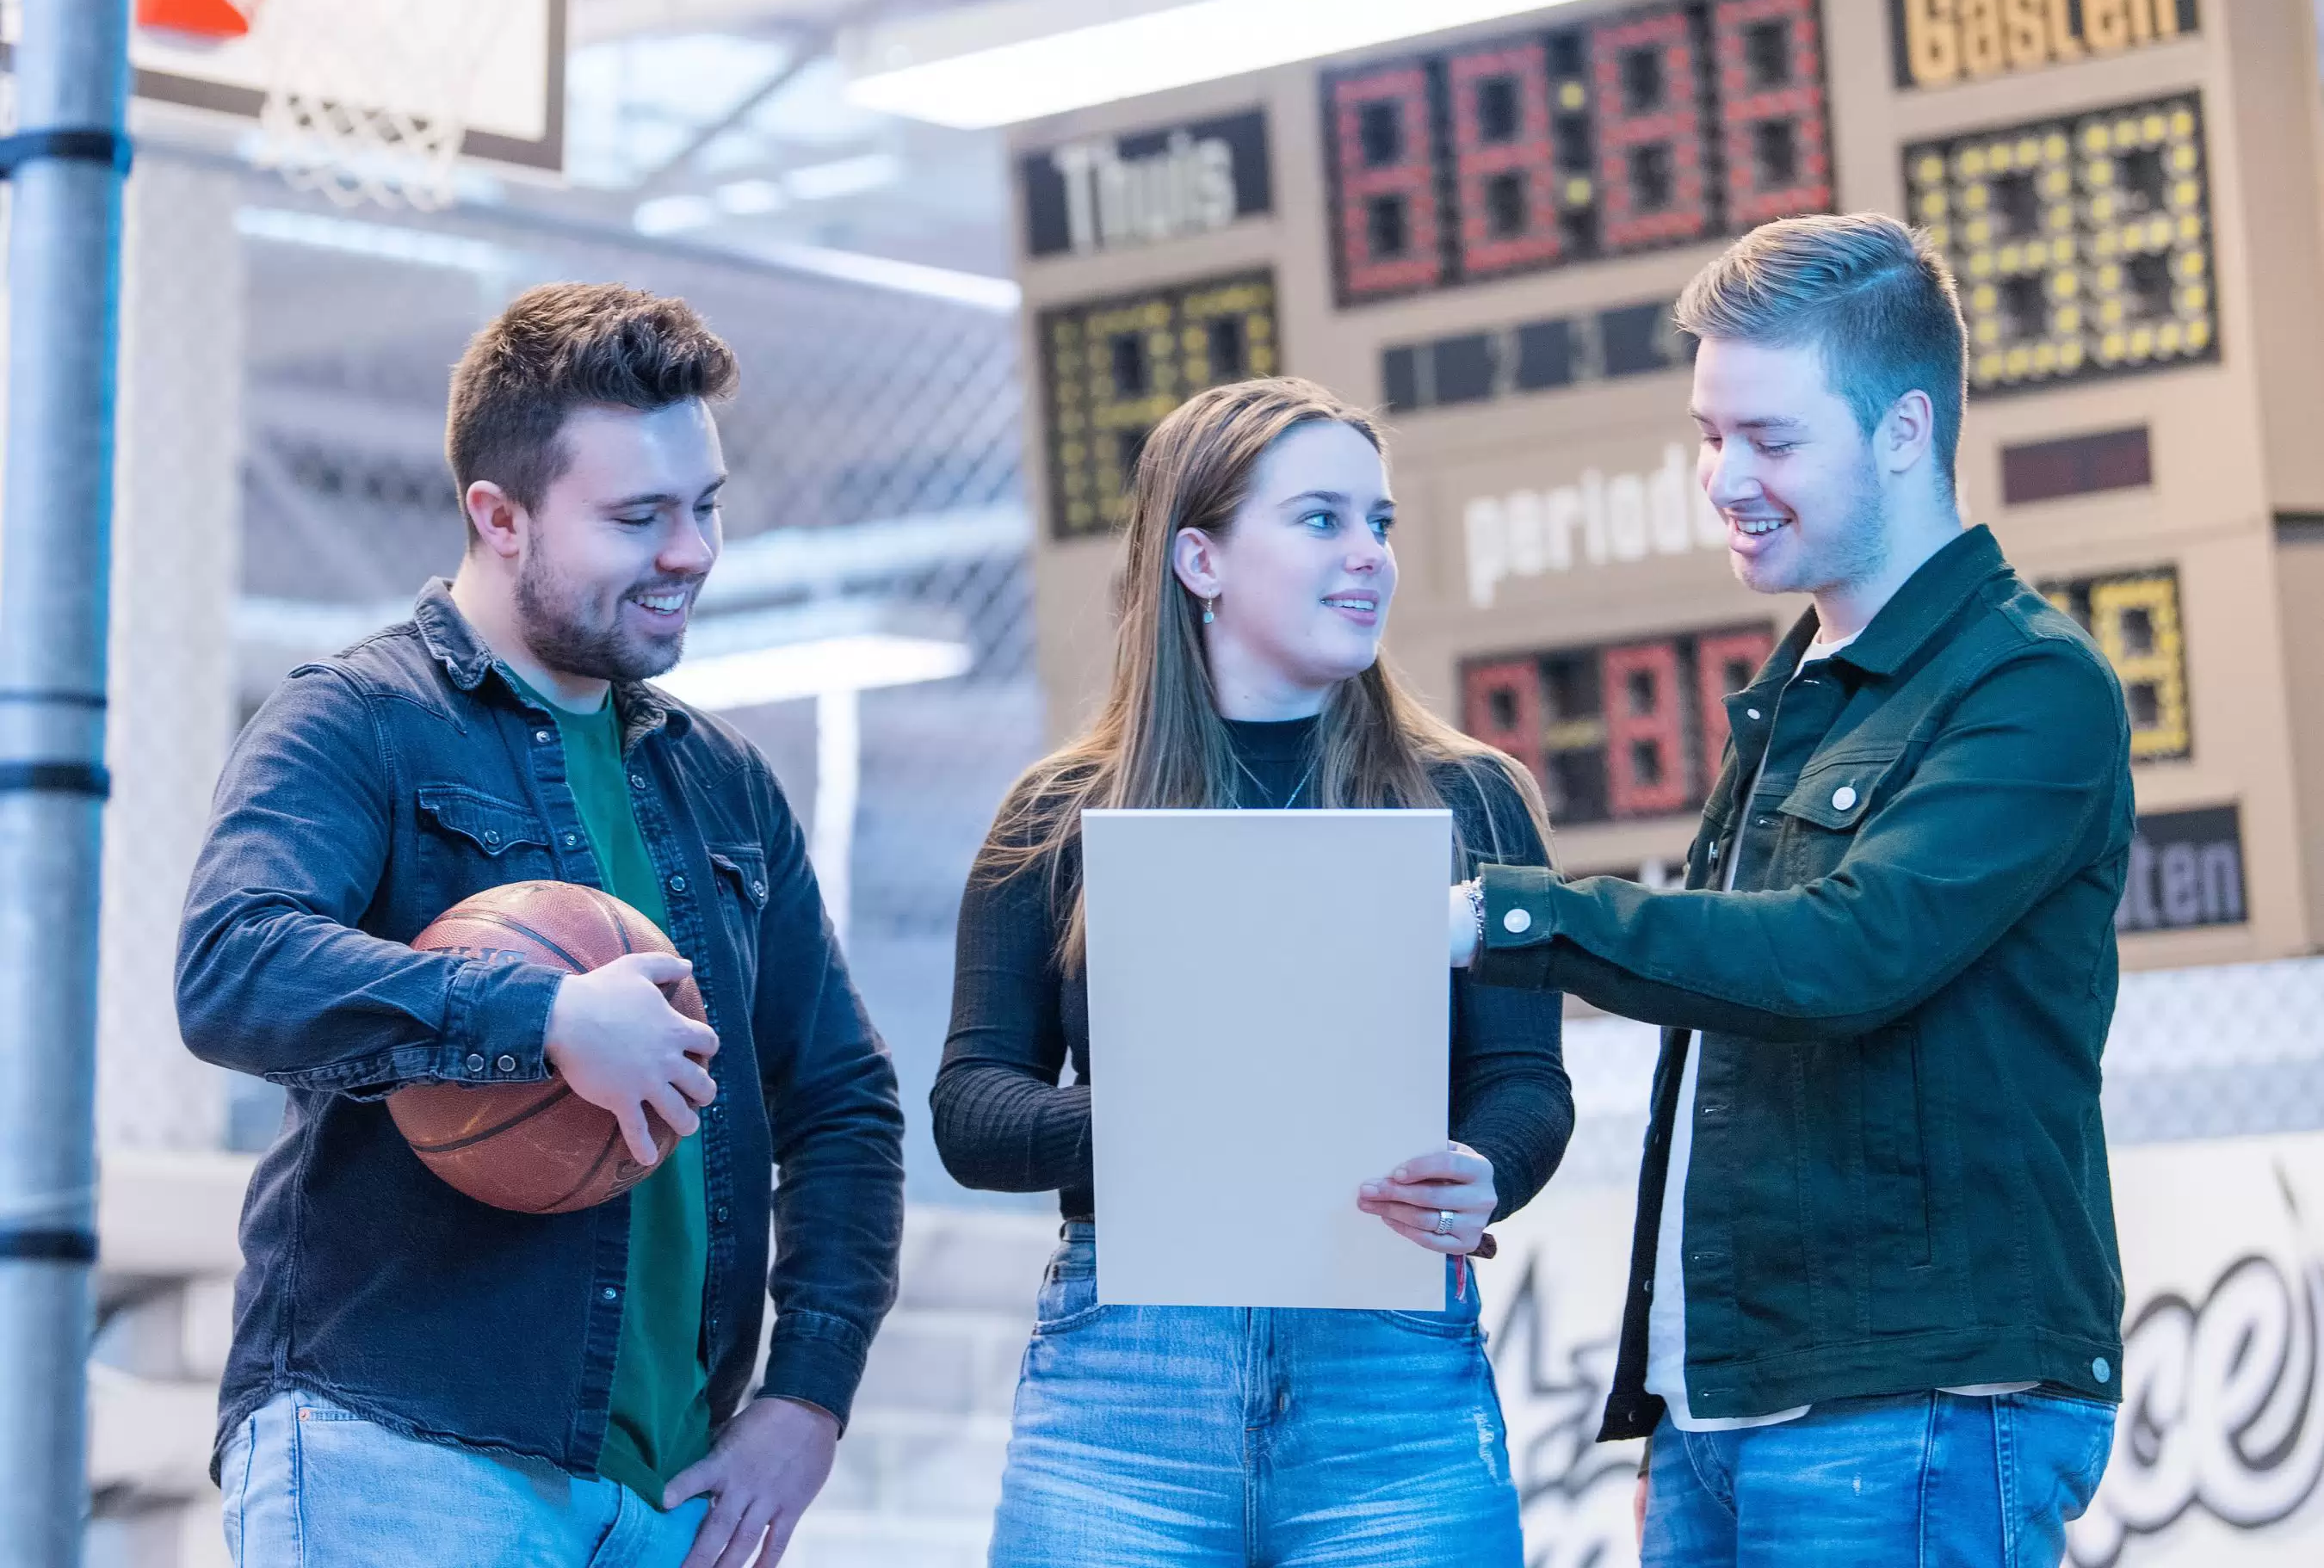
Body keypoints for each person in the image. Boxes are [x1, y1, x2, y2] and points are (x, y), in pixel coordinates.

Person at [177, 283, 905, 1568]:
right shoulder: (360, 721)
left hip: (668, 1493)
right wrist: (548, 1017)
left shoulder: (724, 786)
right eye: (638, 517)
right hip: (402, 1453)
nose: (692, 551)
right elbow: (235, 964)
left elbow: (845, 1105)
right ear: (499, 516)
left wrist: (808, 1396)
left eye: (706, 506)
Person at [1447, 213, 2130, 1567]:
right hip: (1731, 1409)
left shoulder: (2030, 683)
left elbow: (1843, 957)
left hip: (1915, 1410)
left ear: (1905, 429)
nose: (1724, 478)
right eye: (1711, 435)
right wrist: (1685, 1405)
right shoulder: (1803, 691)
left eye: (1770, 439)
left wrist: (1505, 916)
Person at [937, 375, 1573, 1567]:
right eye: (1322, 519)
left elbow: (1526, 1085)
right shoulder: (1059, 813)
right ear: (1201, 560)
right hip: (1125, 1391)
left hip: (1390, 1383)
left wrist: (1486, 1172)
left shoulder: (1471, 799)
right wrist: (1168, 1126)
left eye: (1380, 522)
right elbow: (973, 1110)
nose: (1369, 553)